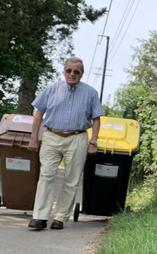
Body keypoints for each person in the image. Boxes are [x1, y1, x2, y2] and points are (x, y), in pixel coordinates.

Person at [27, 56, 104, 230]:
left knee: (72, 179)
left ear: (81, 74)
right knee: (46, 175)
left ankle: (60, 217)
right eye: (69, 71)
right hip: (51, 136)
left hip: (77, 138)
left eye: (76, 72)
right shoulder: (52, 88)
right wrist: (33, 138)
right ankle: (39, 217)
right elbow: (38, 114)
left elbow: (97, 119)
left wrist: (93, 141)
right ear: (64, 71)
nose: (72, 74)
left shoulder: (91, 93)